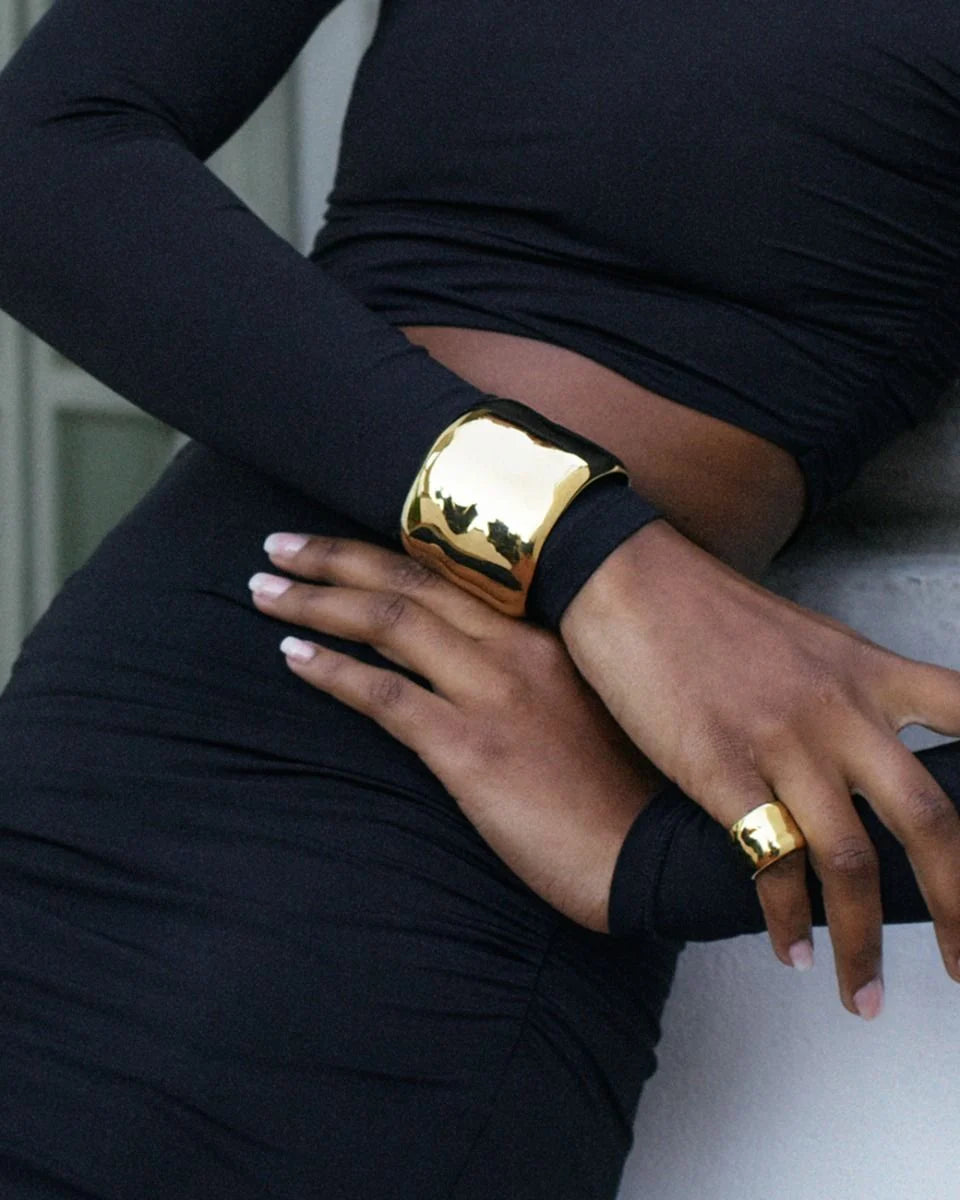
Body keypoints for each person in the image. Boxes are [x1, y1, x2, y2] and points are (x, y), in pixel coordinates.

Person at [1, 1, 960, 1196]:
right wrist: (585, 551)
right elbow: (42, 156)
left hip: (417, 894)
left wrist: (671, 861)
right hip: (126, 728)